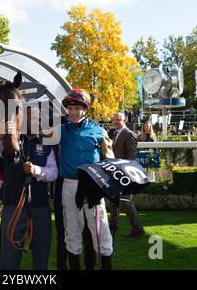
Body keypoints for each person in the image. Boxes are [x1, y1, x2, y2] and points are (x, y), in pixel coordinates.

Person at [0, 105, 58, 270]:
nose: (36, 122)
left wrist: (36, 171)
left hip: (40, 206)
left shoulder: (46, 143)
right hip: (14, 205)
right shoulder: (9, 140)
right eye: (31, 118)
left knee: (41, 254)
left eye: (39, 119)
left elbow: (54, 172)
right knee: (9, 256)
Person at [59, 89, 114, 270]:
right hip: (69, 185)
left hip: (93, 186)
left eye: (77, 108)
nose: (73, 112)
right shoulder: (58, 131)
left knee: (100, 230)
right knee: (72, 233)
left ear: (86, 109)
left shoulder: (99, 131)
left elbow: (110, 160)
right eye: (70, 108)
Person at [109, 112, 145, 237]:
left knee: (125, 200)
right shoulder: (115, 133)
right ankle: (113, 223)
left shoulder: (129, 134)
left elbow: (132, 156)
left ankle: (137, 227)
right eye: (114, 120)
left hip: (124, 173)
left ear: (124, 121)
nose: (115, 122)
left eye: (118, 120)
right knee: (115, 197)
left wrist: (128, 172)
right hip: (116, 171)